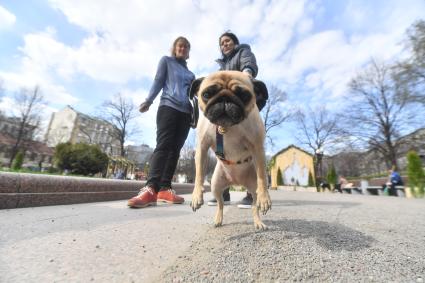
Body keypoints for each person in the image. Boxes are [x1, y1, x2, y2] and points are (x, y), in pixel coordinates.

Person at [128, 36, 195, 208]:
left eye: (186, 47)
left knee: (175, 150)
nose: (183, 49)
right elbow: (158, 80)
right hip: (168, 108)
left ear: (188, 53)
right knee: (163, 146)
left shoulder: (191, 74)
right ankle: (151, 188)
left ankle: (165, 188)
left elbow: (193, 97)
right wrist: (149, 100)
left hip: (185, 114)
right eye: (180, 46)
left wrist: (195, 117)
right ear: (174, 48)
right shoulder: (166, 61)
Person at [207, 31, 266, 209]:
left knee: (251, 144)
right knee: (221, 144)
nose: (225, 44)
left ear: (234, 42)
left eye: (228, 41)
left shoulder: (243, 52)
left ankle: (252, 192)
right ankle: (223, 191)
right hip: (225, 109)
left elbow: (249, 66)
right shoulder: (221, 65)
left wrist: (246, 74)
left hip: (241, 103)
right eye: (222, 43)